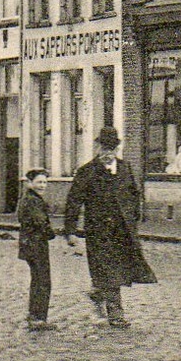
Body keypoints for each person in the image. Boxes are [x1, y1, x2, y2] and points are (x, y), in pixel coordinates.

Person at [64, 126, 156, 329]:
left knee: (116, 272)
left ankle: (98, 293)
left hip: (122, 232)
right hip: (99, 233)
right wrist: (70, 231)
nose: (108, 154)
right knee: (109, 272)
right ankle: (116, 315)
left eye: (112, 150)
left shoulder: (125, 169)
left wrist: (133, 217)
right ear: (98, 148)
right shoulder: (87, 172)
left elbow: (134, 194)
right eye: (104, 149)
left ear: (117, 149)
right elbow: (74, 201)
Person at [17, 170, 58, 331]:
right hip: (36, 245)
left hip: (30, 244)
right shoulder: (33, 201)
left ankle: (34, 314)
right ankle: (38, 318)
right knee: (42, 281)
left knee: (37, 279)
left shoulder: (30, 198)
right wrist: (51, 233)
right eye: (39, 182)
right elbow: (40, 222)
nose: (42, 186)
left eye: (45, 182)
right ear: (30, 183)